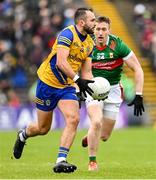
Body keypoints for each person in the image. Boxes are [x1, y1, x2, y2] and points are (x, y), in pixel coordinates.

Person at [12, 7, 96, 173]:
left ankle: (61, 160)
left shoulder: (90, 43)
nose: (95, 23)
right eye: (92, 20)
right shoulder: (67, 34)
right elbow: (61, 63)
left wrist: (90, 87)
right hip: (47, 83)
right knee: (43, 129)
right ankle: (23, 135)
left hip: (67, 86)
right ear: (82, 22)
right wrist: (79, 80)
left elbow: (87, 71)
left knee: (73, 119)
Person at [81, 16, 145, 171]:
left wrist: (139, 95)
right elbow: (80, 69)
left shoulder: (118, 45)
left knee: (104, 136)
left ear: (109, 30)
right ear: (94, 30)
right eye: (98, 29)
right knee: (96, 121)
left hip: (114, 90)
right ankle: (92, 162)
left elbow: (138, 69)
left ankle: (91, 136)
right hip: (93, 88)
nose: (101, 32)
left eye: (104, 29)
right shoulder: (87, 46)